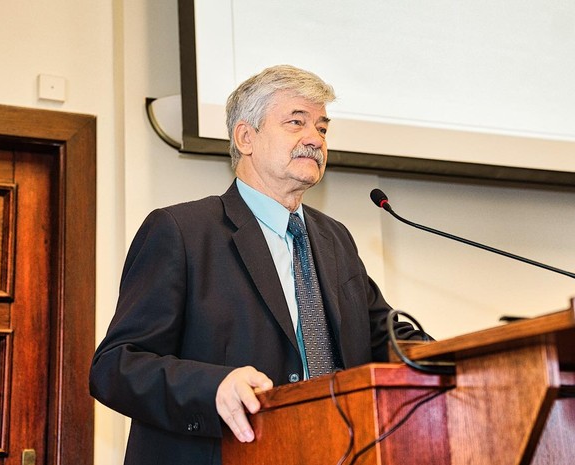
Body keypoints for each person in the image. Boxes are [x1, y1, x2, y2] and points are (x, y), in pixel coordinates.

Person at [90, 64, 427, 465]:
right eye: (296, 122)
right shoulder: (182, 232)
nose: (315, 139)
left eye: (322, 128)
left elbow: (384, 335)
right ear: (245, 137)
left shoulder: (335, 239)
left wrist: (454, 359)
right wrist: (214, 387)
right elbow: (116, 365)